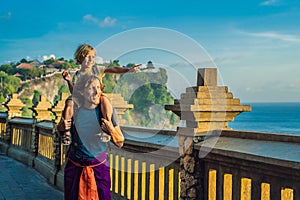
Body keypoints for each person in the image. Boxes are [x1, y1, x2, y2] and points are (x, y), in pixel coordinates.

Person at [59, 43, 140, 145]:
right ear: (81, 57)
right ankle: (66, 132)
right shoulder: (78, 75)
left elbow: (113, 69)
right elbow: (74, 92)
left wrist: (128, 70)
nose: (91, 60)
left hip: (97, 96)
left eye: (93, 57)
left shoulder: (97, 69)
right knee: (69, 102)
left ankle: (106, 127)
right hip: (83, 97)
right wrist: (69, 81)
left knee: (105, 100)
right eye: (88, 57)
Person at [60, 74, 123, 200]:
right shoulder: (74, 109)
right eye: (91, 88)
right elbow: (59, 132)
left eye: (99, 88)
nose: (97, 92)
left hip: (99, 167)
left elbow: (120, 142)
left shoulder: (106, 110)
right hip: (75, 166)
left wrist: (110, 130)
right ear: (82, 92)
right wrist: (62, 127)